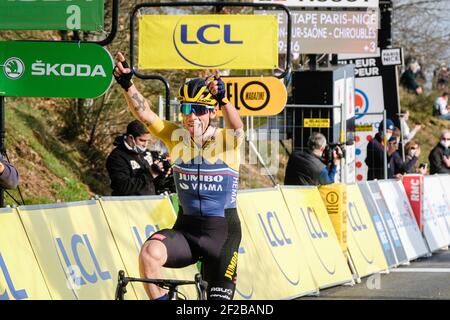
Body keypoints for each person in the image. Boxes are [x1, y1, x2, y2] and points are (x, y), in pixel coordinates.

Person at [113, 52, 244, 300]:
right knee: (149, 253)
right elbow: (145, 115)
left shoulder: (225, 141)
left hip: (222, 236)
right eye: (186, 109)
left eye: (199, 110)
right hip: (187, 231)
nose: (191, 116)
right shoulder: (175, 136)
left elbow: (238, 129)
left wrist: (224, 100)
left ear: (212, 113)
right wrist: (128, 84)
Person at [106, 120, 165, 196]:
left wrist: (161, 173)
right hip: (129, 204)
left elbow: (154, 184)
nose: (145, 145)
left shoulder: (146, 153)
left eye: (148, 141)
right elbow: (122, 187)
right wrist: (150, 174)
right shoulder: (117, 157)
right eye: (142, 140)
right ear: (131, 138)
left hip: (149, 202)